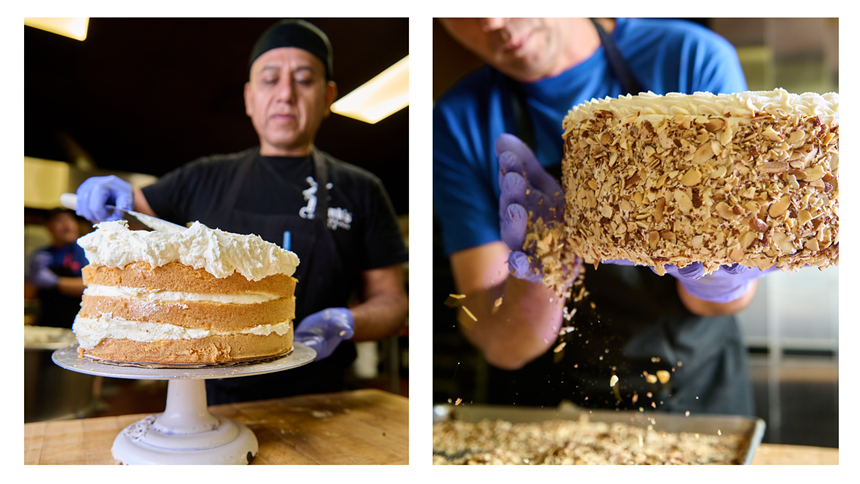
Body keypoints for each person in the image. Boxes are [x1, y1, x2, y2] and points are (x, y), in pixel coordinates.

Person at [434, 18, 774, 415]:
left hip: (694, 389)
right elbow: (501, 346)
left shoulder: (688, 59)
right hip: (557, 402)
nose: (492, 20)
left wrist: (717, 278)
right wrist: (542, 265)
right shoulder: (458, 121)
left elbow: (720, 303)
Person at [75, 19, 409, 403]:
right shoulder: (203, 176)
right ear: (250, 98)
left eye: (303, 79)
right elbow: (131, 216)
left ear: (327, 95)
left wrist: (347, 322)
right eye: (270, 80)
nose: (285, 94)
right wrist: (110, 203)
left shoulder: (362, 189)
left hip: (320, 396)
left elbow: (393, 301)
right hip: (210, 397)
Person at [25, 208, 87, 328]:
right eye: (60, 220)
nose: (67, 224)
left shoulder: (86, 251)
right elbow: (28, 295)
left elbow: (93, 287)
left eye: (70, 219)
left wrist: (56, 283)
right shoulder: (41, 254)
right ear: (48, 227)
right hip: (48, 323)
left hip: (81, 323)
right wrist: (31, 279)